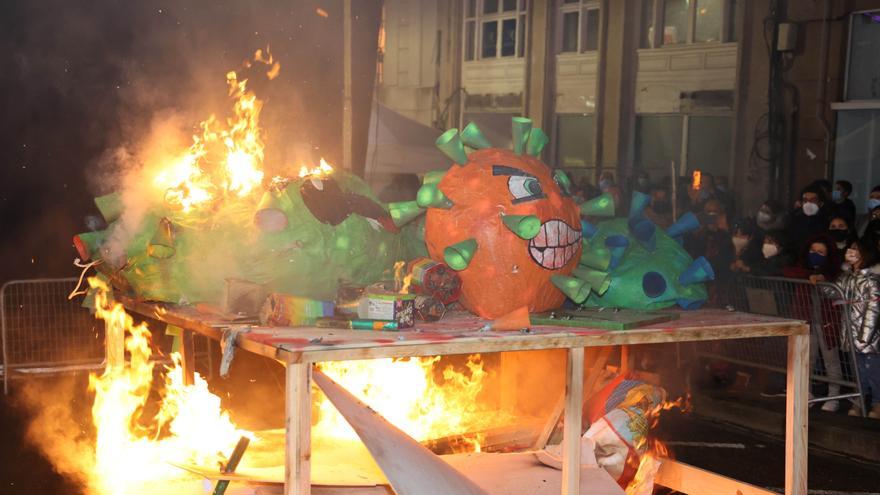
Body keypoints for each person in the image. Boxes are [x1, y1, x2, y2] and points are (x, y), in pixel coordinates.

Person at [818, 239, 880, 418]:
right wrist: (822, 283)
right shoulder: (846, 277)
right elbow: (834, 292)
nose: (850, 252)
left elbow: (874, 310)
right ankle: (859, 402)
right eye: (850, 248)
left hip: (868, 337)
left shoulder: (872, 280)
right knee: (857, 370)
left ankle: (877, 404)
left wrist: (865, 336)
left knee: (873, 371)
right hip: (850, 332)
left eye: (855, 249)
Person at [784, 236, 844, 412]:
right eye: (812, 251)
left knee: (831, 361)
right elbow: (787, 271)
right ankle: (806, 393)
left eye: (820, 252)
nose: (815, 255)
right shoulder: (801, 269)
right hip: (807, 321)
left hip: (827, 323)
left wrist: (823, 277)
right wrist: (809, 275)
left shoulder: (834, 274)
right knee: (806, 359)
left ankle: (834, 396)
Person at [685, 199, 734, 306]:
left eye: (715, 211)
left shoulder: (725, 236)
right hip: (700, 280)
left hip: (719, 281)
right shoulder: (697, 236)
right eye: (708, 211)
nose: (712, 215)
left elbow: (726, 259)